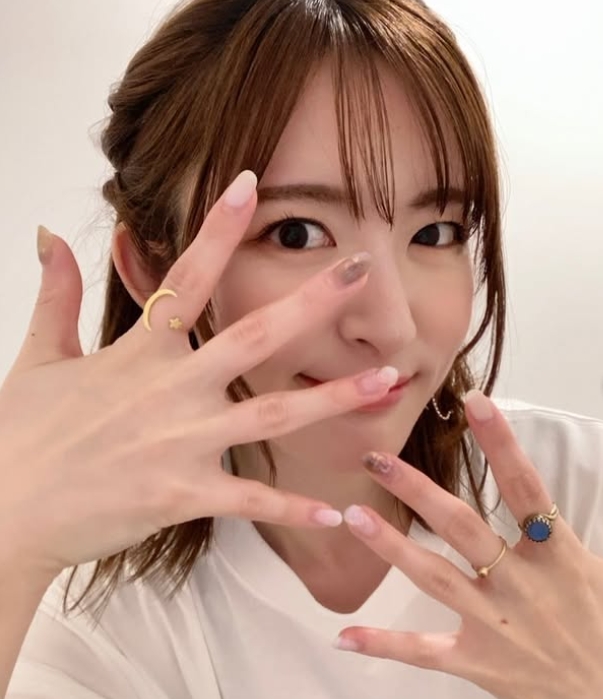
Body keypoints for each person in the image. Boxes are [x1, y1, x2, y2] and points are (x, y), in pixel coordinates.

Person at [1, 0, 602, 697]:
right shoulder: (91, 612)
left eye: (435, 232)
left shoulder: (582, 494)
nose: (391, 325)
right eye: (296, 234)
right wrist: (11, 537)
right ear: (153, 268)